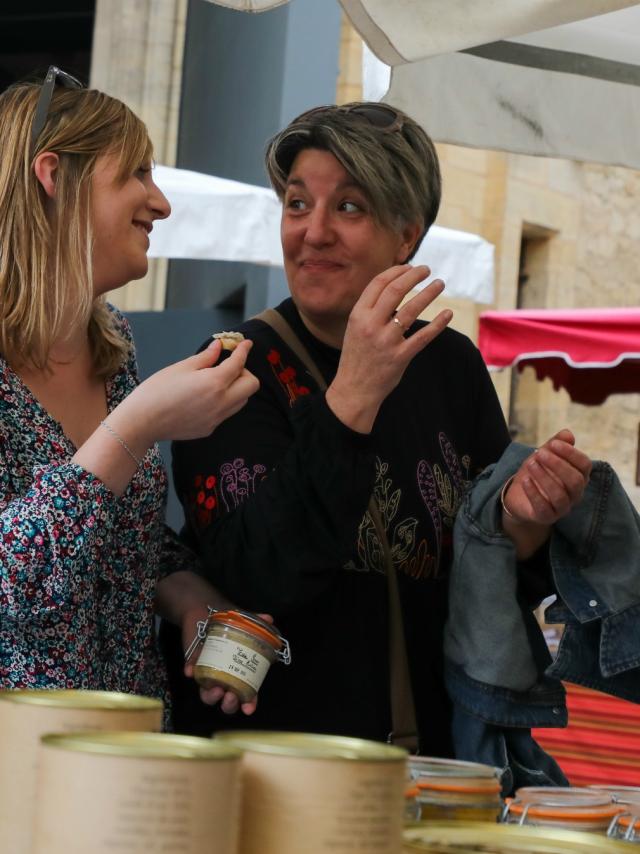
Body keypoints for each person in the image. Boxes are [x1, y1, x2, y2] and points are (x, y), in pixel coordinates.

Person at [169, 103, 591, 753]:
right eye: (297, 204)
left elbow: (484, 583)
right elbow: (257, 575)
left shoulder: (449, 365)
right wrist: (352, 397)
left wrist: (527, 519)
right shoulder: (233, 369)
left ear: (405, 237)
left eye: (349, 207)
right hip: (277, 769)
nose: (312, 233)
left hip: (431, 762)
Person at [0, 69, 259, 714]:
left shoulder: (113, 342)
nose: (161, 202)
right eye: (137, 173)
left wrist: (192, 601)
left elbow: (121, 545)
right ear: (55, 176)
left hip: (129, 754)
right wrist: (134, 430)